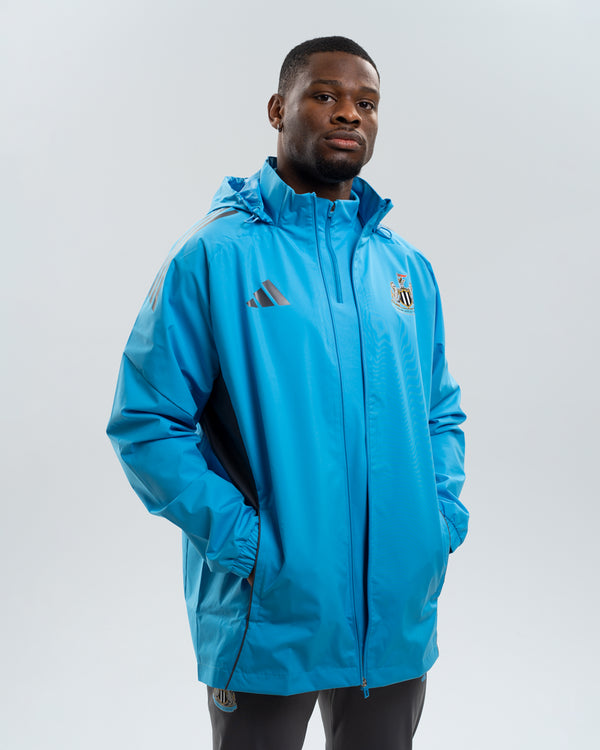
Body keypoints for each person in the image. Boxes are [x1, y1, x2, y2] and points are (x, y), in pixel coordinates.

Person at [107, 36, 468, 750]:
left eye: (367, 103)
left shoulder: (404, 267)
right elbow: (147, 424)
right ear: (278, 109)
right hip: (270, 612)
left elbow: (438, 411)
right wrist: (250, 547)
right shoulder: (214, 257)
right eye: (325, 95)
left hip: (395, 609)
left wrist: (438, 524)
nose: (350, 114)